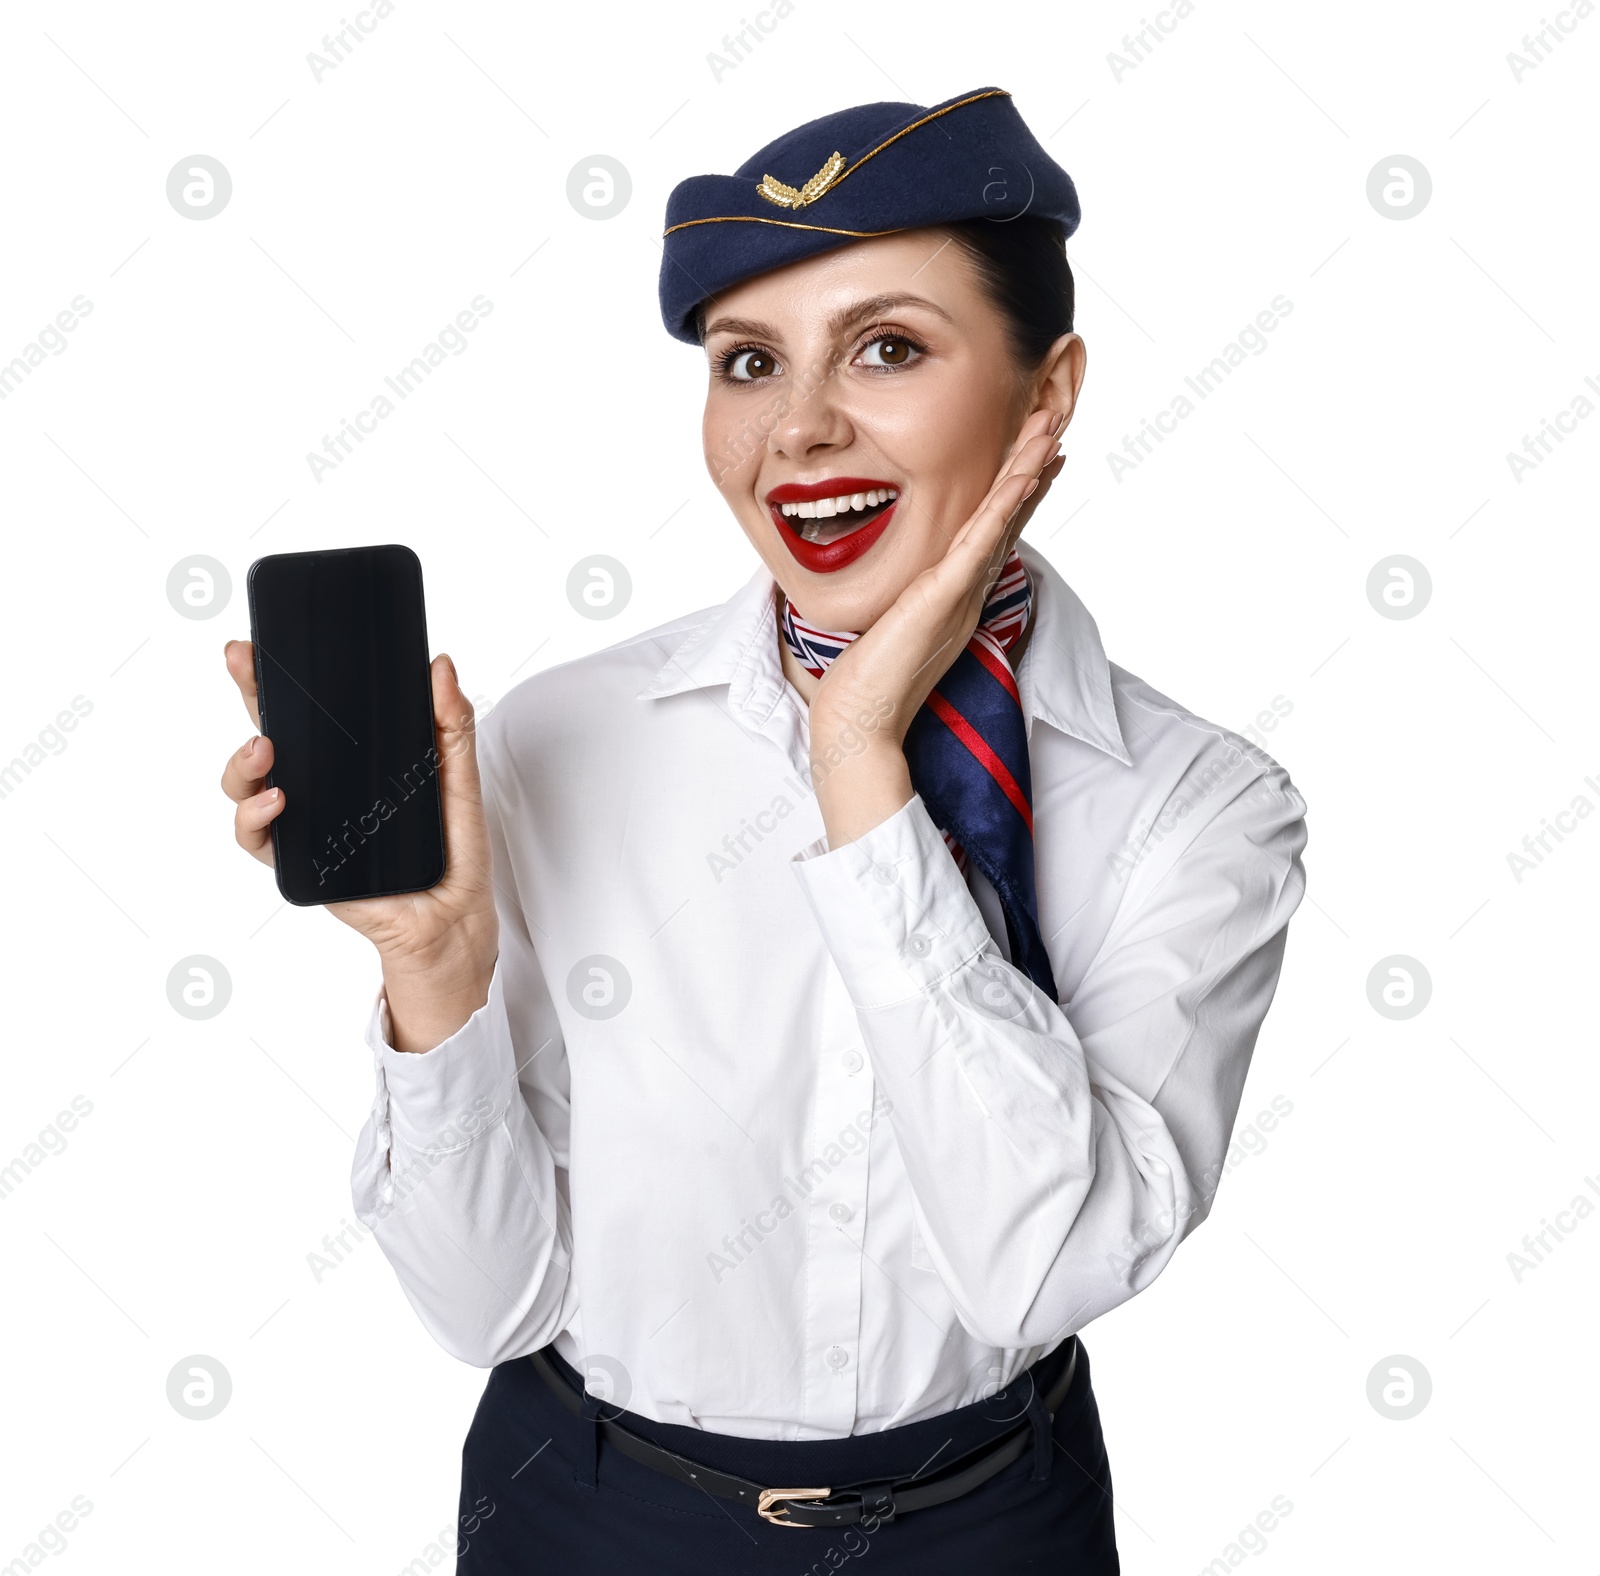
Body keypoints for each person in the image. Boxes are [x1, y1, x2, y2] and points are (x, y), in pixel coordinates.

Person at [219, 85, 1307, 1573]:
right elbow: (485, 1309)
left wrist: (858, 756)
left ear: (1048, 394)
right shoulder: (561, 740)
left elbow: (1045, 1265)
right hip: (590, 1515)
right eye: (749, 363)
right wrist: (434, 967)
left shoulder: (1200, 807)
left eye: (888, 348)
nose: (798, 428)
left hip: (991, 1523)